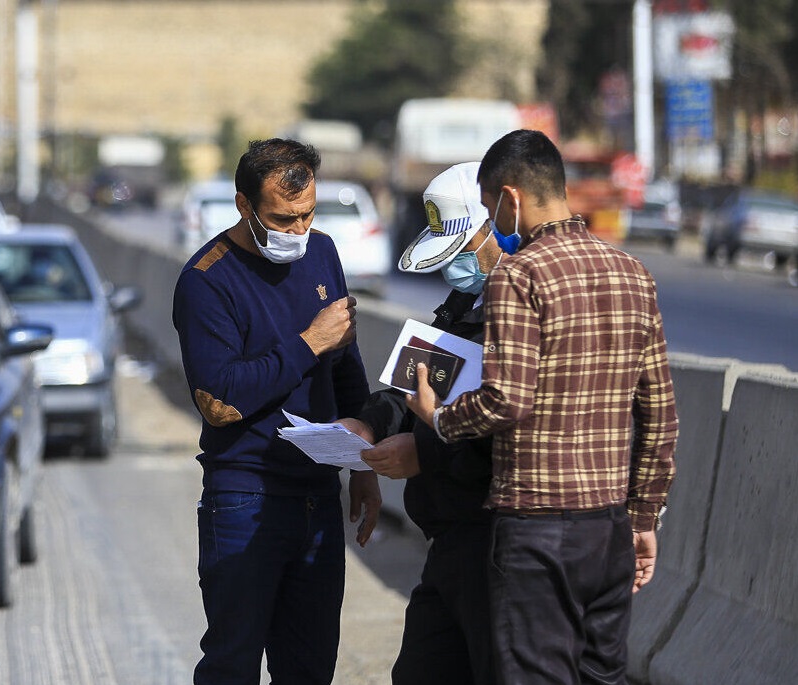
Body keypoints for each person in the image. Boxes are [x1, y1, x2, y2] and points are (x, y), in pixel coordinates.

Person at [405, 130, 678, 685]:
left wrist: (437, 418)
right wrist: (643, 516)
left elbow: (508, 399)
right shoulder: (633, 273)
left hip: (537, 530)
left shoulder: (518, 274)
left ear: (509, 198)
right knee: (600, 675)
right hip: (608, 531)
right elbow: (660, 415)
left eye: (489, 208)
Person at [172, 138, 381, 685]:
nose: (297, 231)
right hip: (244, 498)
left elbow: (345, 364)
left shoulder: (324, 252)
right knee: (232, 663)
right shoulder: (206, 280)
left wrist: (363, 466)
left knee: (310, 667)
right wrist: (307, 342)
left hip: (317, 497)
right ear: (244, 206)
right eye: (282, 219)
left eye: (307, 215)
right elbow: (219, 401)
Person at [340, 162, 503, 685]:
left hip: (498, 542)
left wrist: (423, 453)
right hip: (451, 539)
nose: (454, 270)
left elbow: (510, 430)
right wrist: (369, 424)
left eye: (461, 253)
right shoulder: (463, 303)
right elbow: (414, 385)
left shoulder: (522, 313)